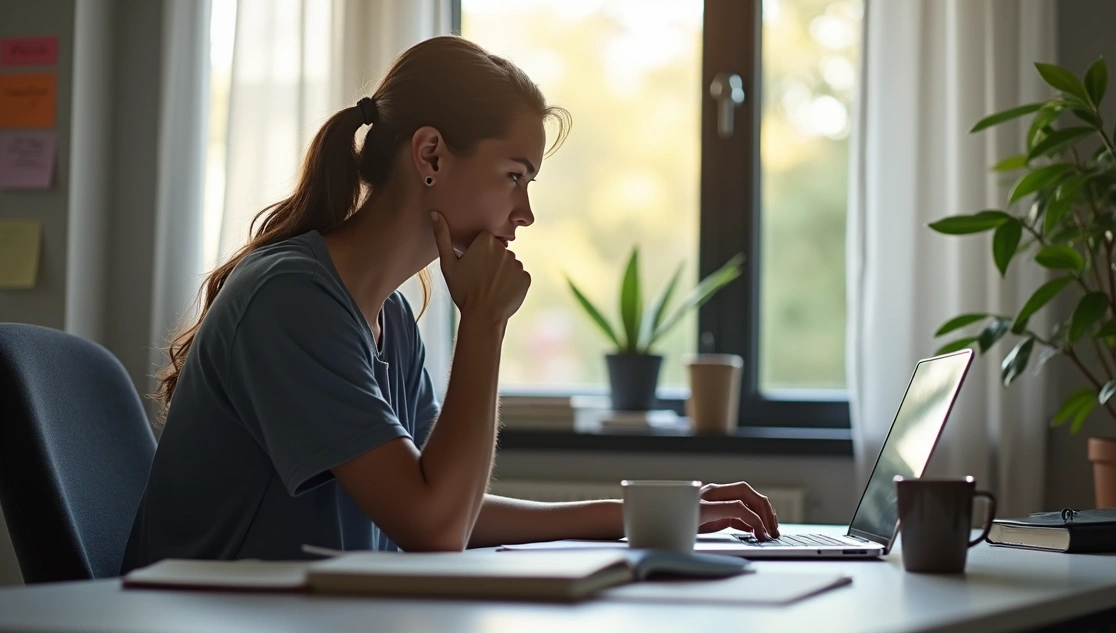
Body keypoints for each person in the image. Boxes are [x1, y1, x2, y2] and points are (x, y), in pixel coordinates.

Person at [121, 35, 778, 572]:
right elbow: (436, 528)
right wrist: (484, 323)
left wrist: (646, 516)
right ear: (431, 153)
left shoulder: (391, 318)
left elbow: (449, 509)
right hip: (211, 624)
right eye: (514, 175)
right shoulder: (291, 299)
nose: (525, 213)